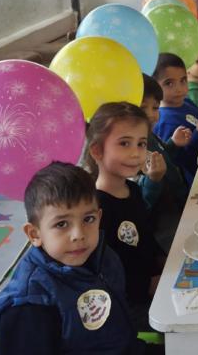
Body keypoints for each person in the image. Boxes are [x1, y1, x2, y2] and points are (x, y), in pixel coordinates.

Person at [0, 163, 158, 354]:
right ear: (34, 234)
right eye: (62, 224)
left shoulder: (103, 255)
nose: (79, 235)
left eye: (88, 219)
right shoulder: (30, 305)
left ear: (99, 218)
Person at [85, 102, 163, 328]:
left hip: (154, 284)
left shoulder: (134, 189)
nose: (135, 153)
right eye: (124, 143)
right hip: (128, 306)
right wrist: (151, 284)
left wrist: (167, 262)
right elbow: (106, 274)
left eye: (141, 144)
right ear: (97, 151)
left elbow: (146, 238)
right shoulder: (95, 210)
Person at [139, 74, 189, 254]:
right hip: (165, 229)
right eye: (142, 108)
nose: (151, 114)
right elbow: (142, 204)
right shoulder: (134, 149)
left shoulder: (149, 135)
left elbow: (162, 157)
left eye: (155, 107)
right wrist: (153, 180)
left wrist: (172, 144)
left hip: (181, 205)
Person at [154, 52, 198, 185]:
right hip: (197, 176)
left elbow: (196, 121)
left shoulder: (186, 102)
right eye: (169, 83)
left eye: (183, 80)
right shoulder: (165, 121)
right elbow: (178, 161)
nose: (179, 89)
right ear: (155, 87)